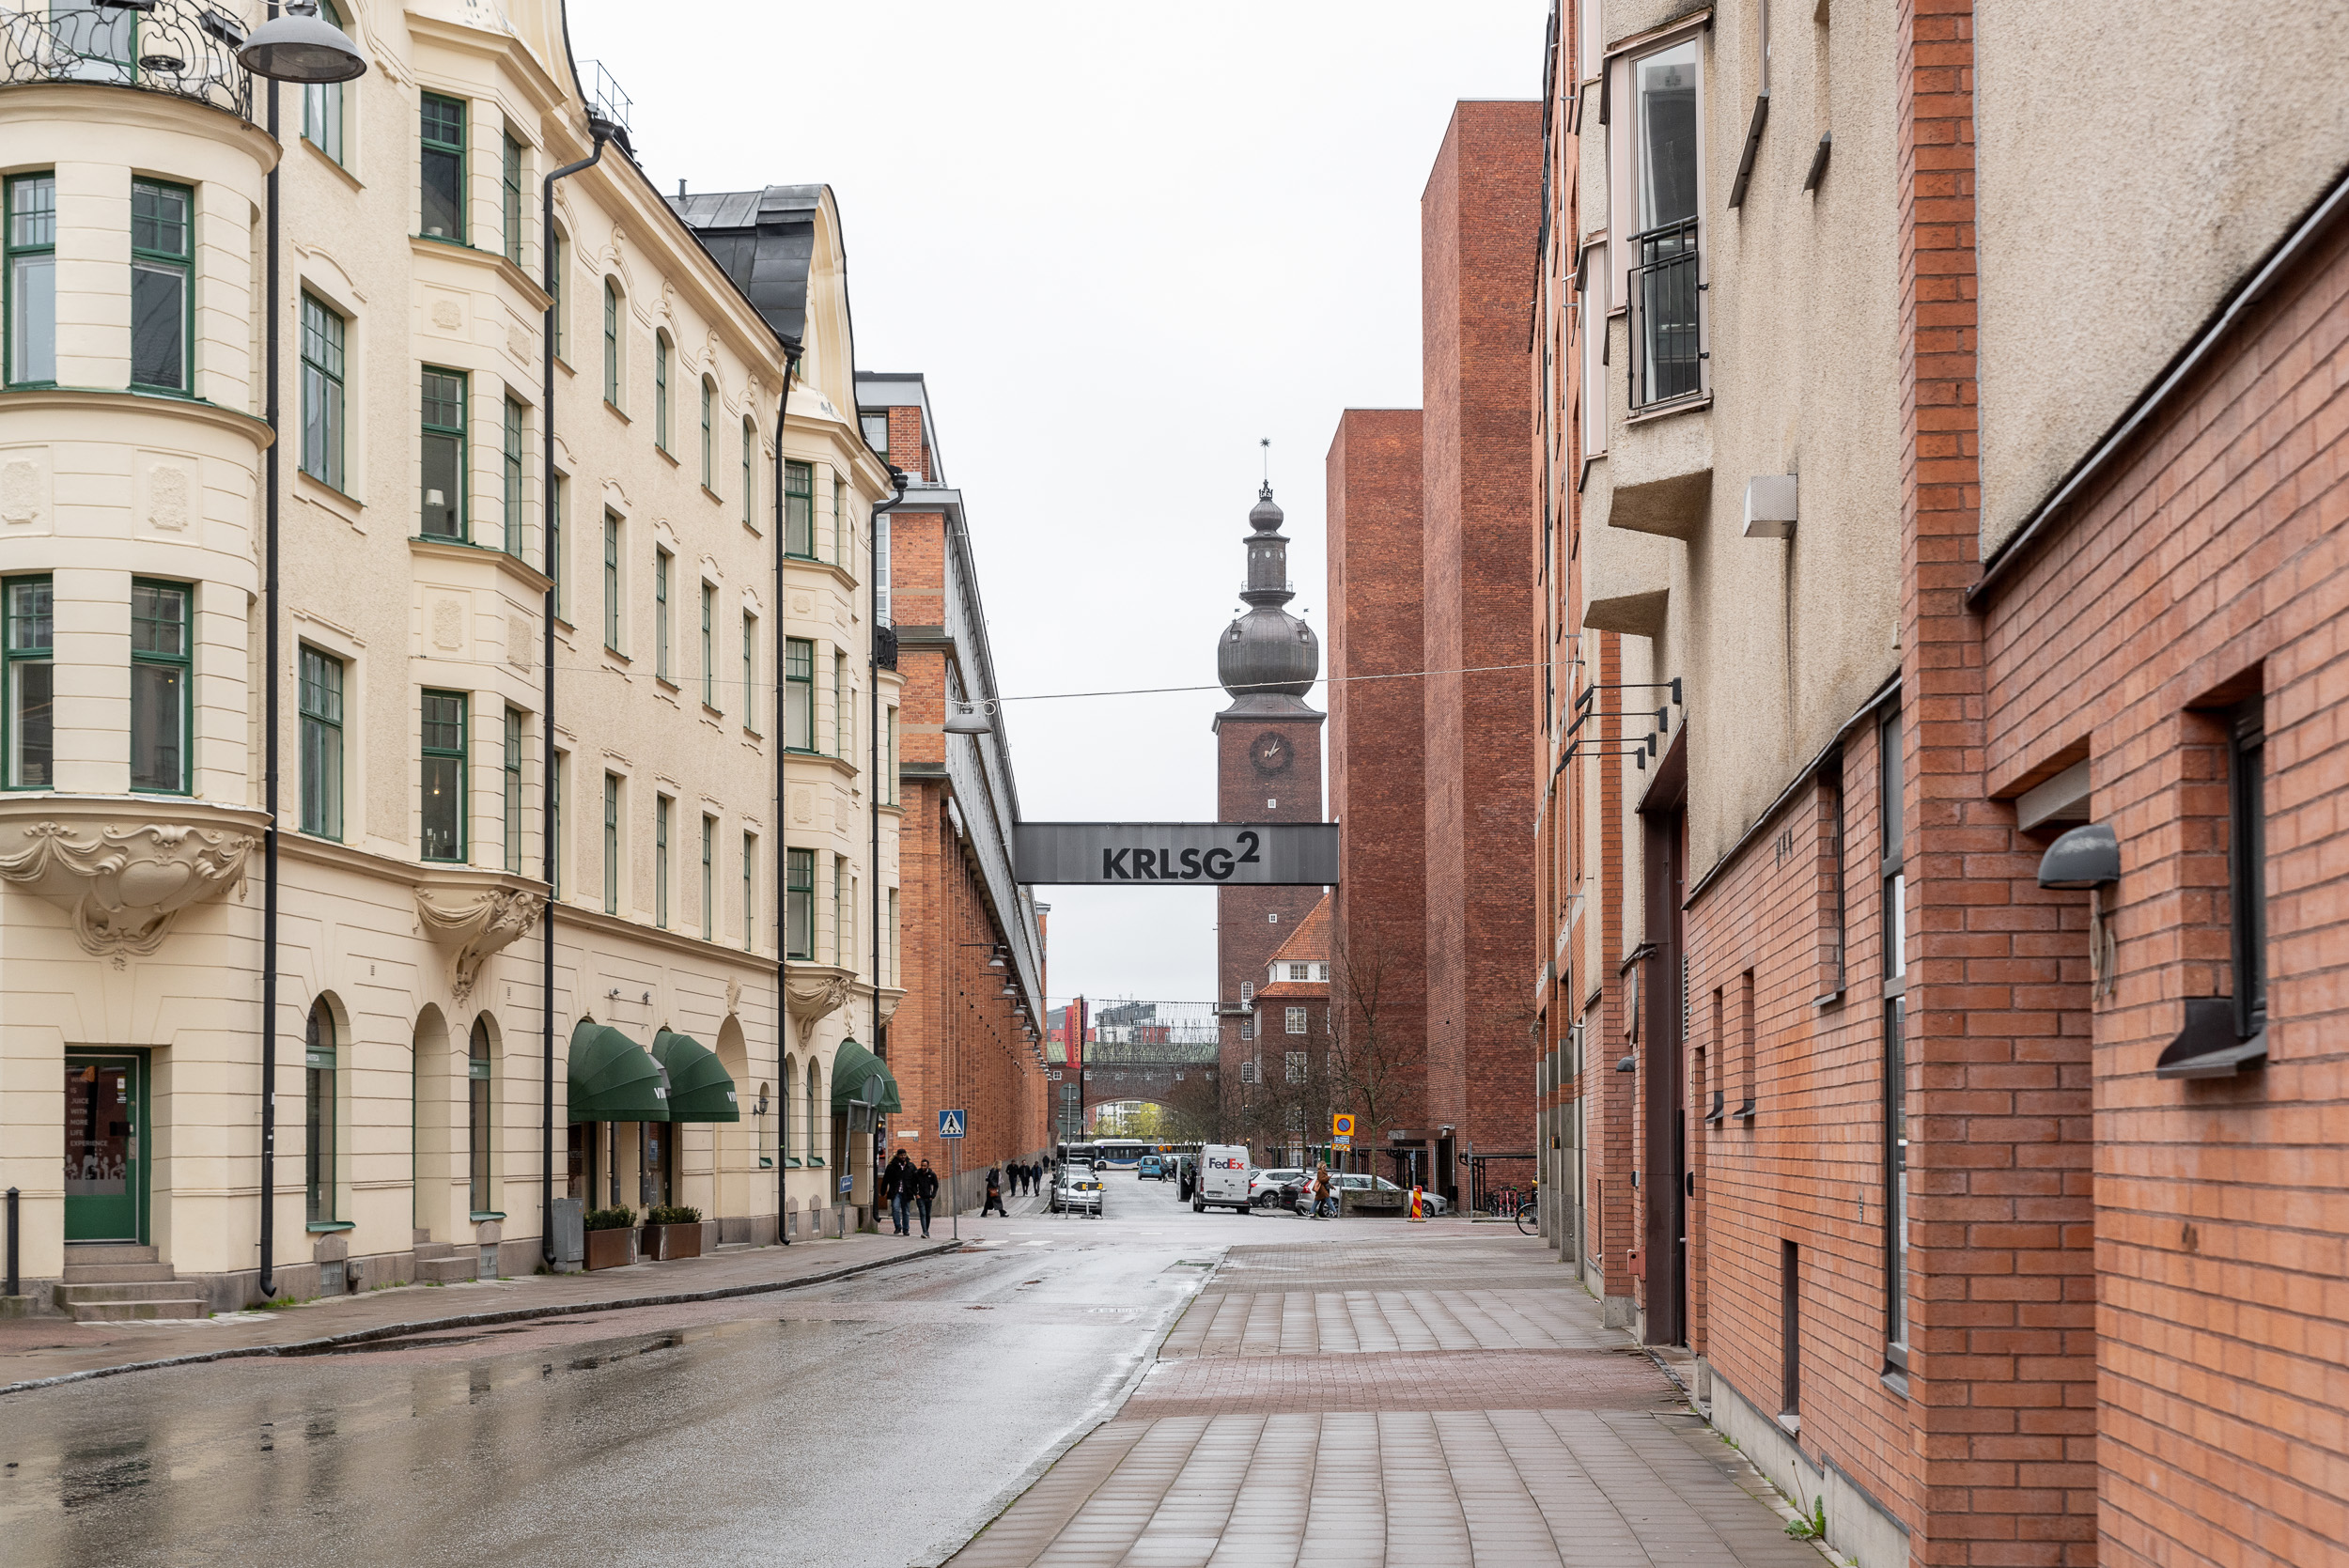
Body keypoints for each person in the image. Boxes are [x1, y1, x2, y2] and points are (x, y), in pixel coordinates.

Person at [879, 1150, 912, 1236]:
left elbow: (915, 1179)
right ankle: (898, 1226)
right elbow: (885, 1179)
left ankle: (906, 1229)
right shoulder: (891, 1167)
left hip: (906, 1192)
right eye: (901, 1155)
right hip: (895, 1191)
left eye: (904, 1155)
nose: (903, 1156)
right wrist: (883, 1191)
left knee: (906, 1211)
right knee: (895, 1208)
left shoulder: (910, 1166)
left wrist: (915, 1191)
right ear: (897, 1156)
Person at [913, 1158, 939, 1237]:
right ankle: (924, 1231)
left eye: (924, 1166)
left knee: (928, 1215)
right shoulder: (917, 1173)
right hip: (920, 1197)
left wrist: (933, 1195)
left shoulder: (932, 1174)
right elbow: (913, 1185)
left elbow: (936, 1185)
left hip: (928, 1197)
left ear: (928, 1166)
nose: (923, 1167)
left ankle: (926, 1231)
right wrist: (916, 1194)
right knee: (922, 1214)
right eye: (921, 1165)